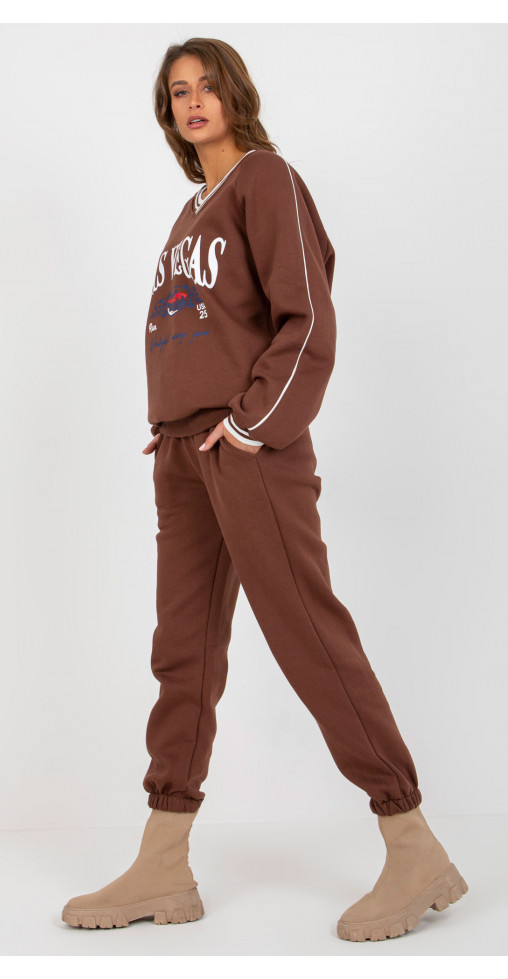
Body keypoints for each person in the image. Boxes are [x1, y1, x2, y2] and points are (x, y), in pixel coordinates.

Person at [62, 36, 468, 941]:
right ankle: (165, 859)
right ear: (167, 112)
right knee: (183, 651)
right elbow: (197, 327)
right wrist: (175, 419)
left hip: (249, 448)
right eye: (178, 91)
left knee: (307, 635)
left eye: (207, 86)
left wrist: (248, 425)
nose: (193, 101)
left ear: (235, 94)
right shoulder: (188, 214)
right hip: (184, 450)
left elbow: (308, 316)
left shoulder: (266, 180)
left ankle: (413, 843)